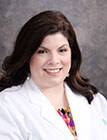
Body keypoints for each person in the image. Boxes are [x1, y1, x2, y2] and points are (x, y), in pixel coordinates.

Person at [0, 10, 107, 140]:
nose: (54, 60)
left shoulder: (94, 99)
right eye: (42, 52)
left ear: (72, 53)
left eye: (62, 50)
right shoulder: (7, 105)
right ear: (27, 56)